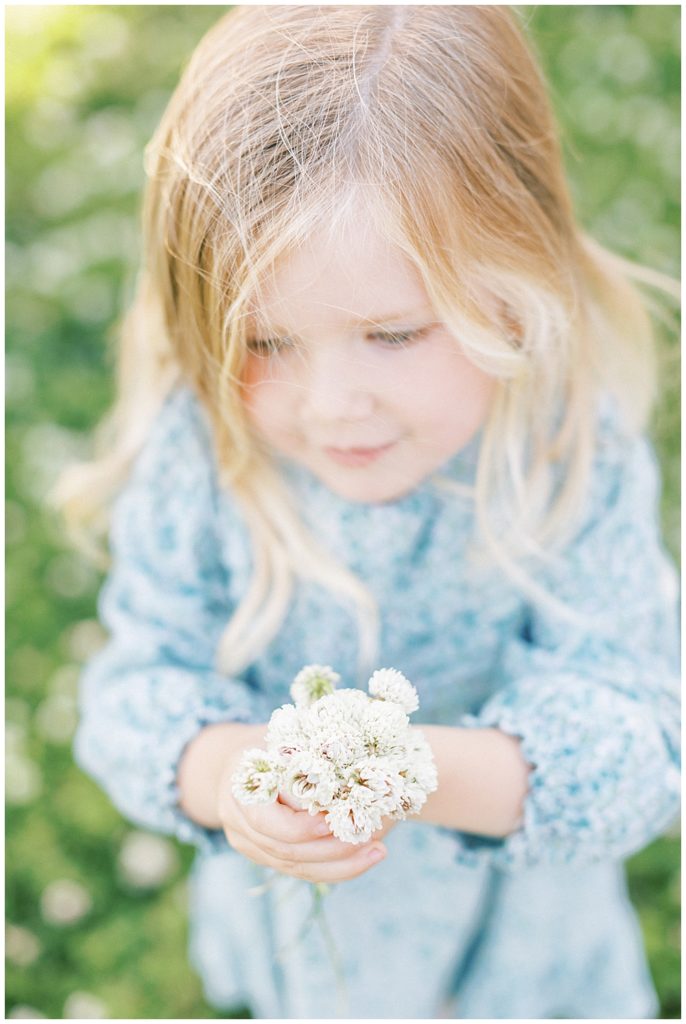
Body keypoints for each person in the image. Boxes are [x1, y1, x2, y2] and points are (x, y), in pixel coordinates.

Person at [52, 5, 680, 1019]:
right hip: (304, 953)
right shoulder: (206, 443)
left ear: (512, 284)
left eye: (391, 333)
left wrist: (390, 765)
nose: (333, 404)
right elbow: (133, 691)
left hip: (519, 960)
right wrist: (233, 779)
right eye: (263, 342)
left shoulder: (565, 447)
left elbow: (637, 745)